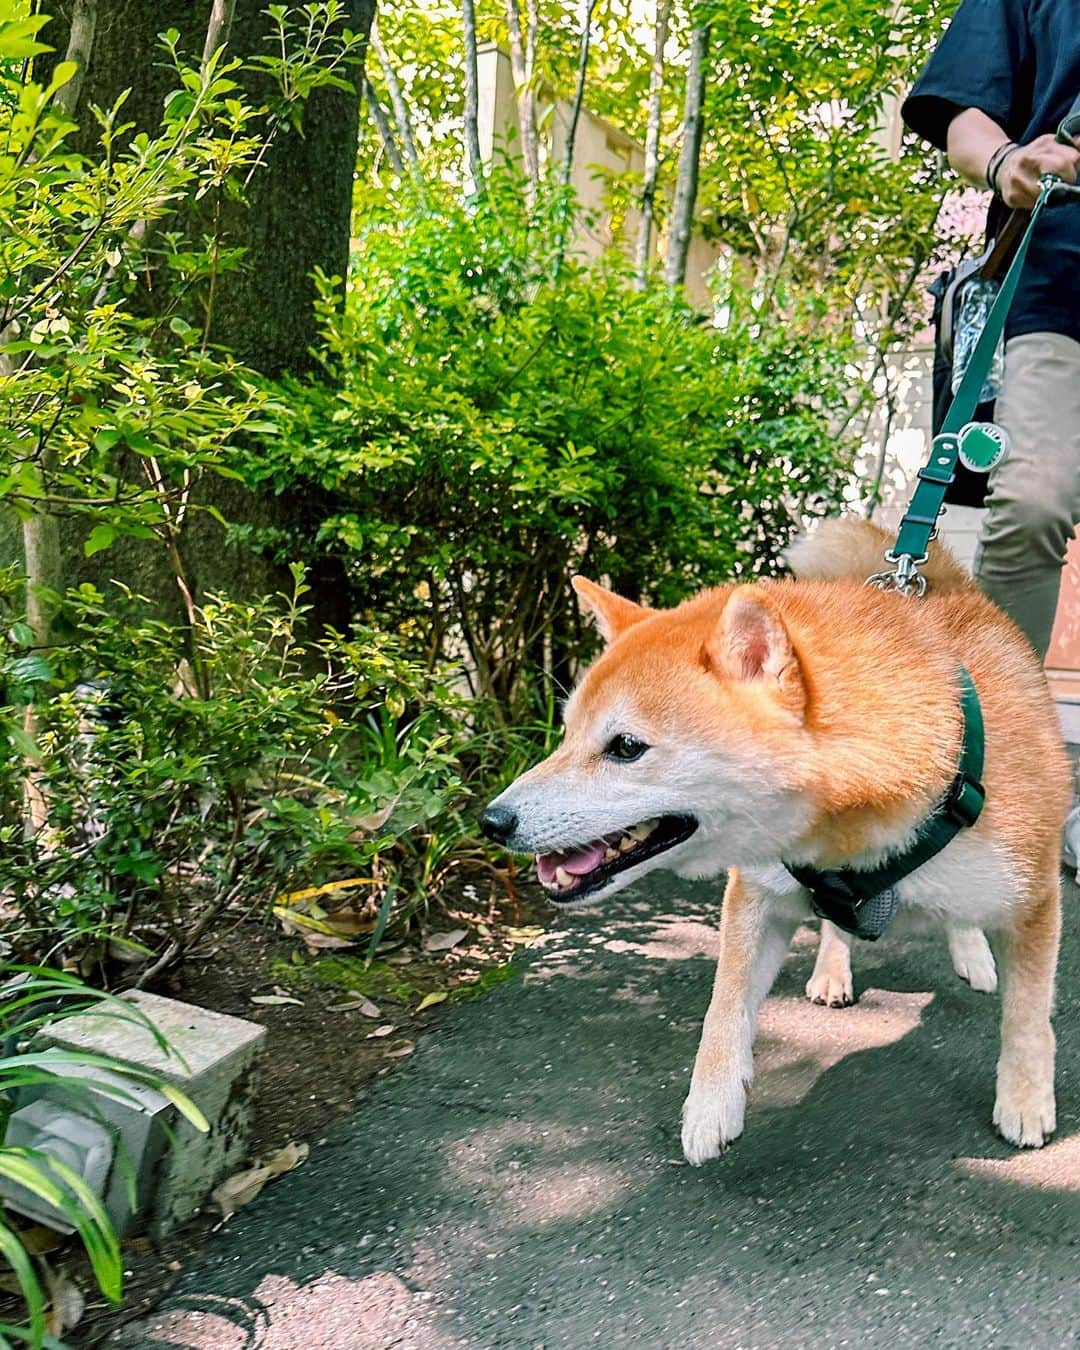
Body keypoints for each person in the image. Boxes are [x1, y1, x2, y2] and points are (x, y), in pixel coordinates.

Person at [903, 0, 1080, 865]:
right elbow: (959, 107)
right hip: (1063, 276)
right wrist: (1008, 159)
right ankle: (1001, 771)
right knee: (1032, 500)